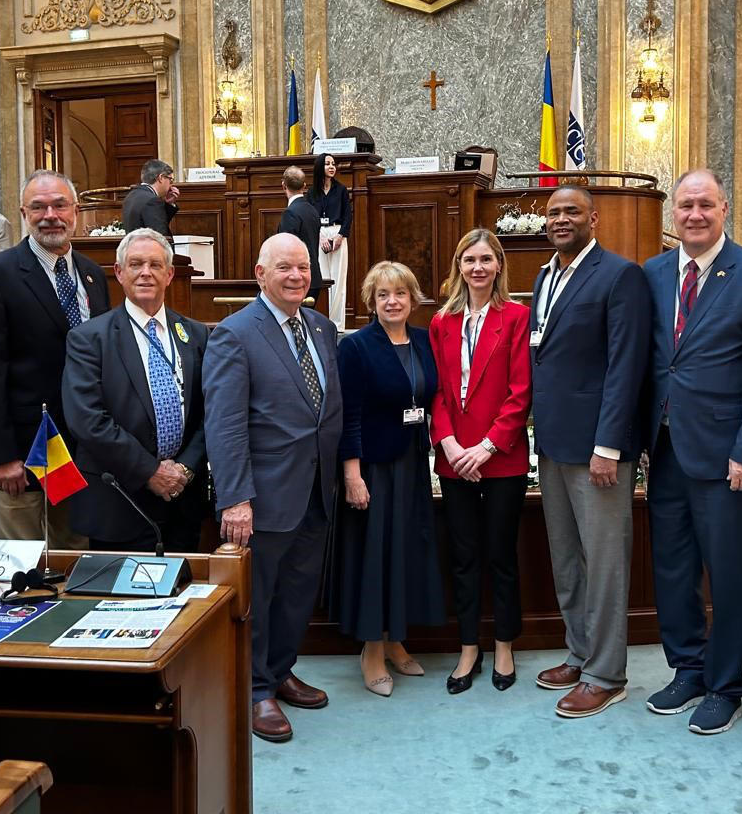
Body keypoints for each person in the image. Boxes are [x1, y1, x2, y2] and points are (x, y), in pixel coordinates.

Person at [643, 169, 742, 736]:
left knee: (728, 576)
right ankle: (688, 670)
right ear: (672, 214)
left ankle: (725, 685)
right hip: (665, 448)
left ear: (725, 208)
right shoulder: (653, 273)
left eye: (706, 204)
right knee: (672, 569)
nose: (695, 214)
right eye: (685, 206)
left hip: (729, 456)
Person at [203, 233, 342, 743]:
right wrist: (235, 497)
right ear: (260, 273)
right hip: (261, 497)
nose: (296, 277)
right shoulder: (235, 333)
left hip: (315, 490)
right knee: (257, 598)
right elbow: (225, 423)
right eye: (284, 267)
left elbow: (329, 410)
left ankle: (281, 670)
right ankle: (256, 688)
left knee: (297, 593)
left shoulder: (323, 329)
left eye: (303, 267)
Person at [529, 187, 650, 719]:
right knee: (567, 560)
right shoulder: (545, 275)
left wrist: (610, 445)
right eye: (553, 212)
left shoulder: (619, 274)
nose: (561, 219)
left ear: (593, 218)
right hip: (553, 444)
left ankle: (607, 673)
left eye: (571, 211)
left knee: (603, 562)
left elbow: (626, 366)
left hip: (598, 449)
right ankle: (580, 653)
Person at [0, 171, 110, 547]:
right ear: (24, 213)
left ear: (75, 211)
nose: (50, 215)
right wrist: (1, 455)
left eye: (60, 205)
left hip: (77, 456)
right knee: (20, 571)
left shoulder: (92, 276)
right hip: (21, 456)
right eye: (38, 207)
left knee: (73, 560)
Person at [332, 261, 443, 697]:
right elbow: (349, 415)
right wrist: (353, 475)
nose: (391, 301)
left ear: (413, 299)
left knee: (404, 552)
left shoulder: (423, 340)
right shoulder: (356, 347)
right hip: (373, 468)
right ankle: (371, 650)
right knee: (374, 557)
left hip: (412, 464)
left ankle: (396, 639)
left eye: (399, 293)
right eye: (382, 295)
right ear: (371, 302)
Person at [429, 229, 532, 694]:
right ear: (459, 266)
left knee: (501, 556)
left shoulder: (515, 317)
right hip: (455, 460)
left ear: (498, 266)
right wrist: (449, 445)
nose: (477, 268)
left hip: (502, 459)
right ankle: (469, 645)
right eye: (469, 259)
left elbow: (520, 393)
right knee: (465, 557)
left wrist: (487, 447)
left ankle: (505, 643)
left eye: (486, 259)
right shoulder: (441, 323)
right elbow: (435, 391)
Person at [62, 228, 209, 551]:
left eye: (155, 265)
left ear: (169, 274)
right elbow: (88, 419)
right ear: (119, 272)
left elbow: (210, 412)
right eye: (136, 264)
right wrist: (150, 471)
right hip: (119, 499)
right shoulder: (89, 339)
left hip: (182, 499)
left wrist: (184, 467)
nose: (146, 273)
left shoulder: (196, 335)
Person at [307, 153, 352, 330]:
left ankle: (337, 324)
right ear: (320, 167)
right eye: (327, 164)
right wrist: (320, 236)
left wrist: (340, 236)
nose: (332, 167)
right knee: (323, 279)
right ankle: (323, 322)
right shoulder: (312, 192)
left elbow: (348, 216)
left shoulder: (341, 190)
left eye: (333, 164)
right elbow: (310, 217)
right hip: (320, 235)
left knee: (338, 279)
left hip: (337, 232)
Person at [278, 166, 323, 302]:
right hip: (313, 277)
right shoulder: (312, 210)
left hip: (296, 281)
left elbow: (285, 250)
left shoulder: (291, 213)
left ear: (283, 185)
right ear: (304, 186)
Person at [121, 159, 180, 243]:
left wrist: (167, 204)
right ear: (161, 178)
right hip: (150, 253)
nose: (171, 185)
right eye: (170, 180)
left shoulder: (131, 196)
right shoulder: (152, 201)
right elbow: (160, 237)